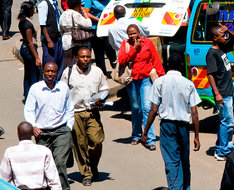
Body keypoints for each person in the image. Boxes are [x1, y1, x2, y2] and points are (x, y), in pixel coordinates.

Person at [142, 53, 200, 190]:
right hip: (184, 127)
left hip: (167, 126)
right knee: (184, 160)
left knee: (171, 162)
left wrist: (145, 132)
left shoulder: (159, 82)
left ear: (167, 65)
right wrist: (197, 136)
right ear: (181, 66)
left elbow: (153, 110)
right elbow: (195, 112)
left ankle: (175, 188)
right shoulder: (189, 84)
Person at [24, 62, 74, 190]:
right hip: (42, 133)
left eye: (53, 71)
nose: (50, 74)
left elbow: (69, 109)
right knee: (43, 165)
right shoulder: (35, 88)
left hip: (61, 131)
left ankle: (64, 188)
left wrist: (68, 127)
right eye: (48, 71)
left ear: (57, 73)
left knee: (59, 163)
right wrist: (33, 126)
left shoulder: (63, 87)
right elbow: (29, 110)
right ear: (43, 72)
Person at [60, 48, 107, 186]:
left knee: (96, 141)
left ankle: (94, 165)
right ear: (76, 58)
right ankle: (85, 174)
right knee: (80, 144)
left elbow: (104, 89)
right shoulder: (68, 73)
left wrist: (101, 100)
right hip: (76, 113)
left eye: (88, 57)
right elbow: (62, 93)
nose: (86, 59)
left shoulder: (97, 71)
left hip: (93, 112)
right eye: (83, 57)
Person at [118, 24, 165, 150]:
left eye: (134, 33)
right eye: (130, 34)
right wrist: (133, 49)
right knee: (135, 108)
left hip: (146, 79)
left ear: (139, 33)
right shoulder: (125, 44)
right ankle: (136, 135)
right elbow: (121, 60)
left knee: (146, 107)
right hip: (132, 80)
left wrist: (162, 78)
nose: (132, 36)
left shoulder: (148, 43)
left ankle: (150, 139)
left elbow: (156, 60)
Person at [206, 24, 234, 161]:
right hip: (222, 93)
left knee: (224, 121)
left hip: (227, 91)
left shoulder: (221, 48)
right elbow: (210, 75)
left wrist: (228, 30)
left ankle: (221, 147)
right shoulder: (212, 53)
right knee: (228, 122)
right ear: (215, 38)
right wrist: (217, 93)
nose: (225, 37)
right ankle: (223, 151)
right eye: (222, 36)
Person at [0, 122, 62, 190]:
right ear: (32, 134)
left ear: (18, 135)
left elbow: (3, 179)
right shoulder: (44, 151)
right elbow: (54, 181)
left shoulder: (10, 152)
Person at [83, 0, 116, 75]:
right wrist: (99, 19)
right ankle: (103, 73)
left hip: (107, 26)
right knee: (98, 51)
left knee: (110, 47)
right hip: (95, 27)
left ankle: (115, 66)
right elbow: (86, 13)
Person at [59, 0, 92, 76]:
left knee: (67, 63)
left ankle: (68, 78)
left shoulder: (63, 14)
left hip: (66, 42)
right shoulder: (76, 15)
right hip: (76, 42)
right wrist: (84, 13)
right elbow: (88, 24)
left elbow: (60, 29)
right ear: (77, 5)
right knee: (77, 63)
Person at [18, 1, 41, 99]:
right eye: (32, 9)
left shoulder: (23, 21)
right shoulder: (27, 24)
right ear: (29, 10)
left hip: (24, 49)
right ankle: (34, 98)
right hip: (29, 50)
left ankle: (27, 95)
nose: (34, 11)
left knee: (27, 74)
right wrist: (36, 57)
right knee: (33, 75)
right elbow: (30, 42)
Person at [39, 0, 63, 68]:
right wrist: (49, 41)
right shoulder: (44, 5)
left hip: (58, 37)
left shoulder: (54, 3)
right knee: (51, 64)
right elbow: (42, 24)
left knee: (59, 62)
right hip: (51, 39)